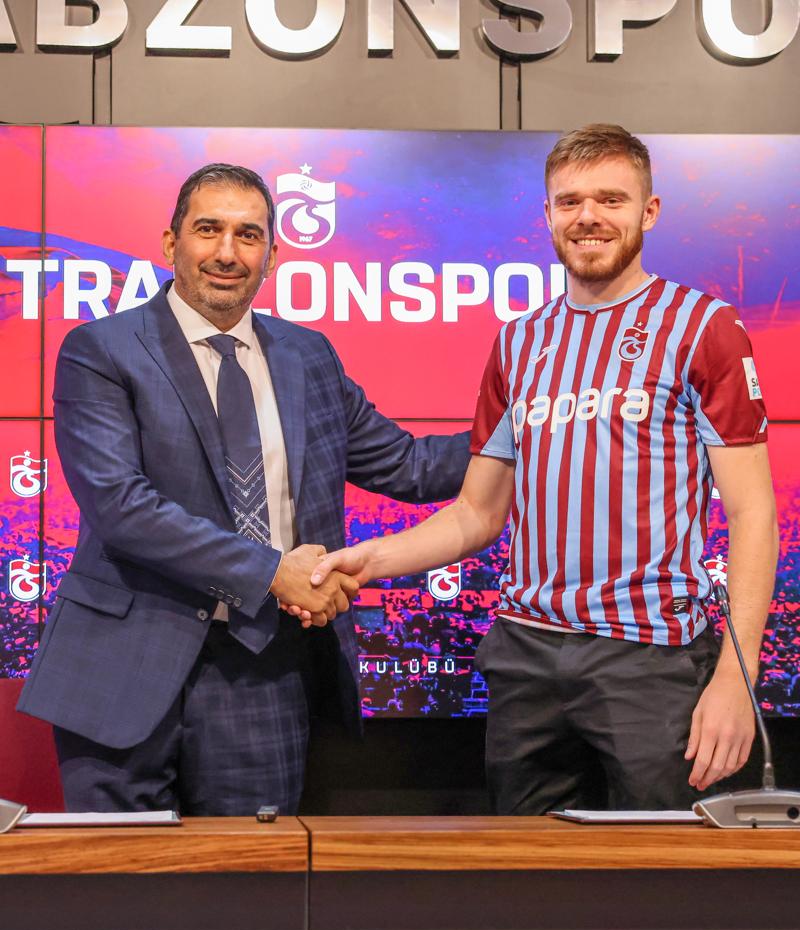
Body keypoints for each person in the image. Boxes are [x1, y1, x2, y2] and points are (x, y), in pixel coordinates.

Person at [305, 125, 779, 813]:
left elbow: (752, 512)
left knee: (661, 869)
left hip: (652, 660)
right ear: (549, 215)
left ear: (649, 211)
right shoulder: (519, 341)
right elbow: (477, 513)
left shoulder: (704, 326)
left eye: (611, 199)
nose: (589, 216)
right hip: (525, 657)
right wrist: (370, 559)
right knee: (528, 871)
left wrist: (738, 676)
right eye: (570, 201)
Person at [18, 163, 469, 815]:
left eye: (248, 235)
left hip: (263, 668)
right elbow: (121, 506)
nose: (227, 252)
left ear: (272, 256)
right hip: (121, 668)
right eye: (209, 230)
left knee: (252, 875)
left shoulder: (308, 355)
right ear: (171, 243)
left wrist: (529, 425)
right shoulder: (101, 349)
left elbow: (409, 465)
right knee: (120, 876)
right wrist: (272, 573)